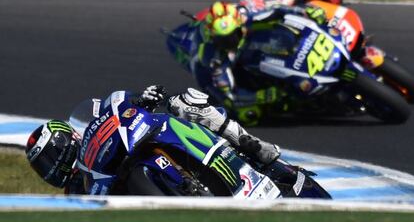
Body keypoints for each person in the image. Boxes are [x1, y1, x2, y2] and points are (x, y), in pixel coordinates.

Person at [25, 85, 280, 195]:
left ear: (71, 140)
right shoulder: (74, 194)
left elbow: (112, 107)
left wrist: (140, 98)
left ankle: (250, 145)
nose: (51, 167)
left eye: (50, 157)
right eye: (43, 166)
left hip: (134, 148)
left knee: (182, 105)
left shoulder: (92, 146)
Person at [169, 0, 343, 126]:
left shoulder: (247, 11)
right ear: (214, 38)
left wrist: (305, 12)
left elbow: (281, 6)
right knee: (248, 115)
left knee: (304, 6)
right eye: (224, 39)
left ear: (239, 23)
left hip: (266, 41)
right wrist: (263, 96)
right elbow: (230, 96)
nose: (230, 41)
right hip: (244, 72)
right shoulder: (213, 58)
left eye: (232, 35)